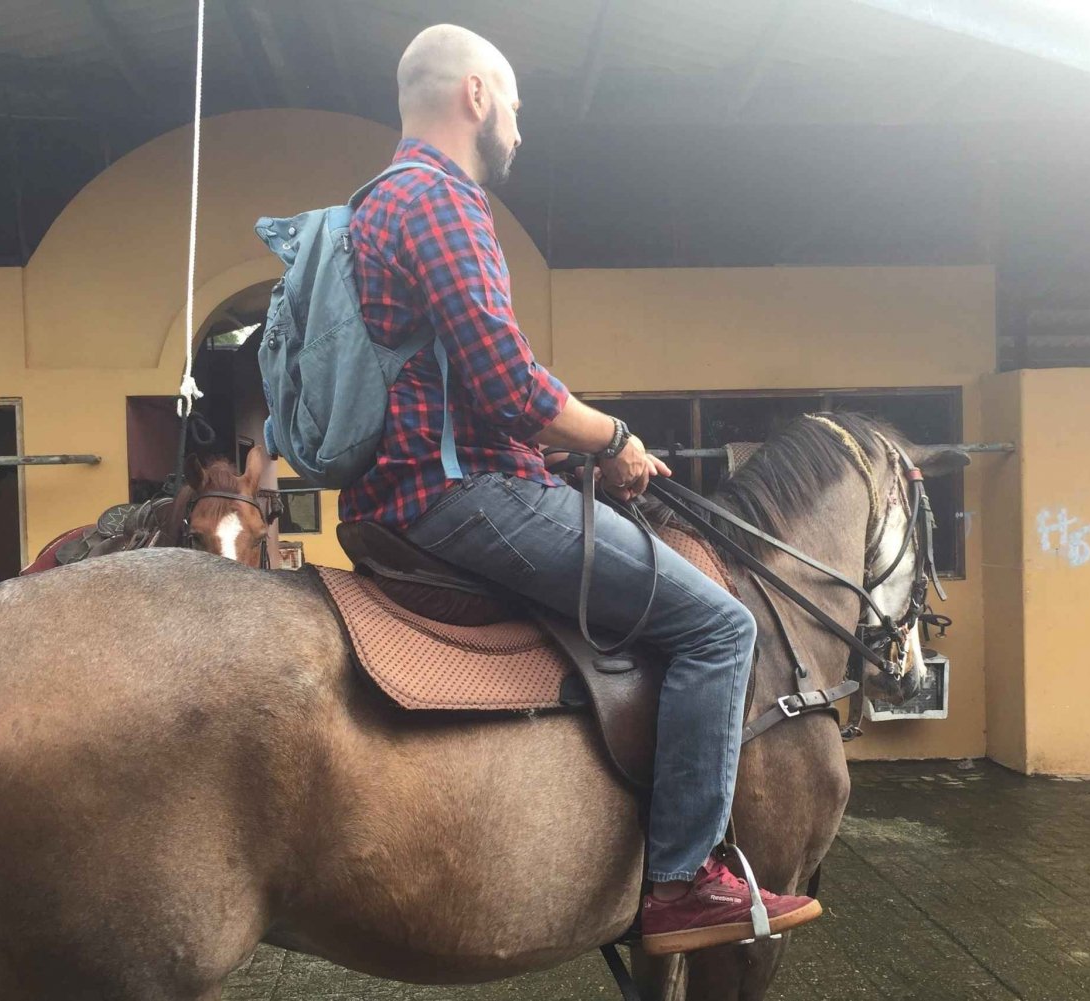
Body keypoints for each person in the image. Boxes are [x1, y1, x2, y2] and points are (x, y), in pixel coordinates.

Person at [341, 23, 821, 955]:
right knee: (724, 626)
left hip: (405, 491)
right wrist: (616, 438)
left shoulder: (371, 205)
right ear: (476, 93)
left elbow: (460, 387)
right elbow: (509, 385)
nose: (519, 126)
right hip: (459, 495)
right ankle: (682, 880)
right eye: (516, 104)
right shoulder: (442, 201)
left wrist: (574, 456)